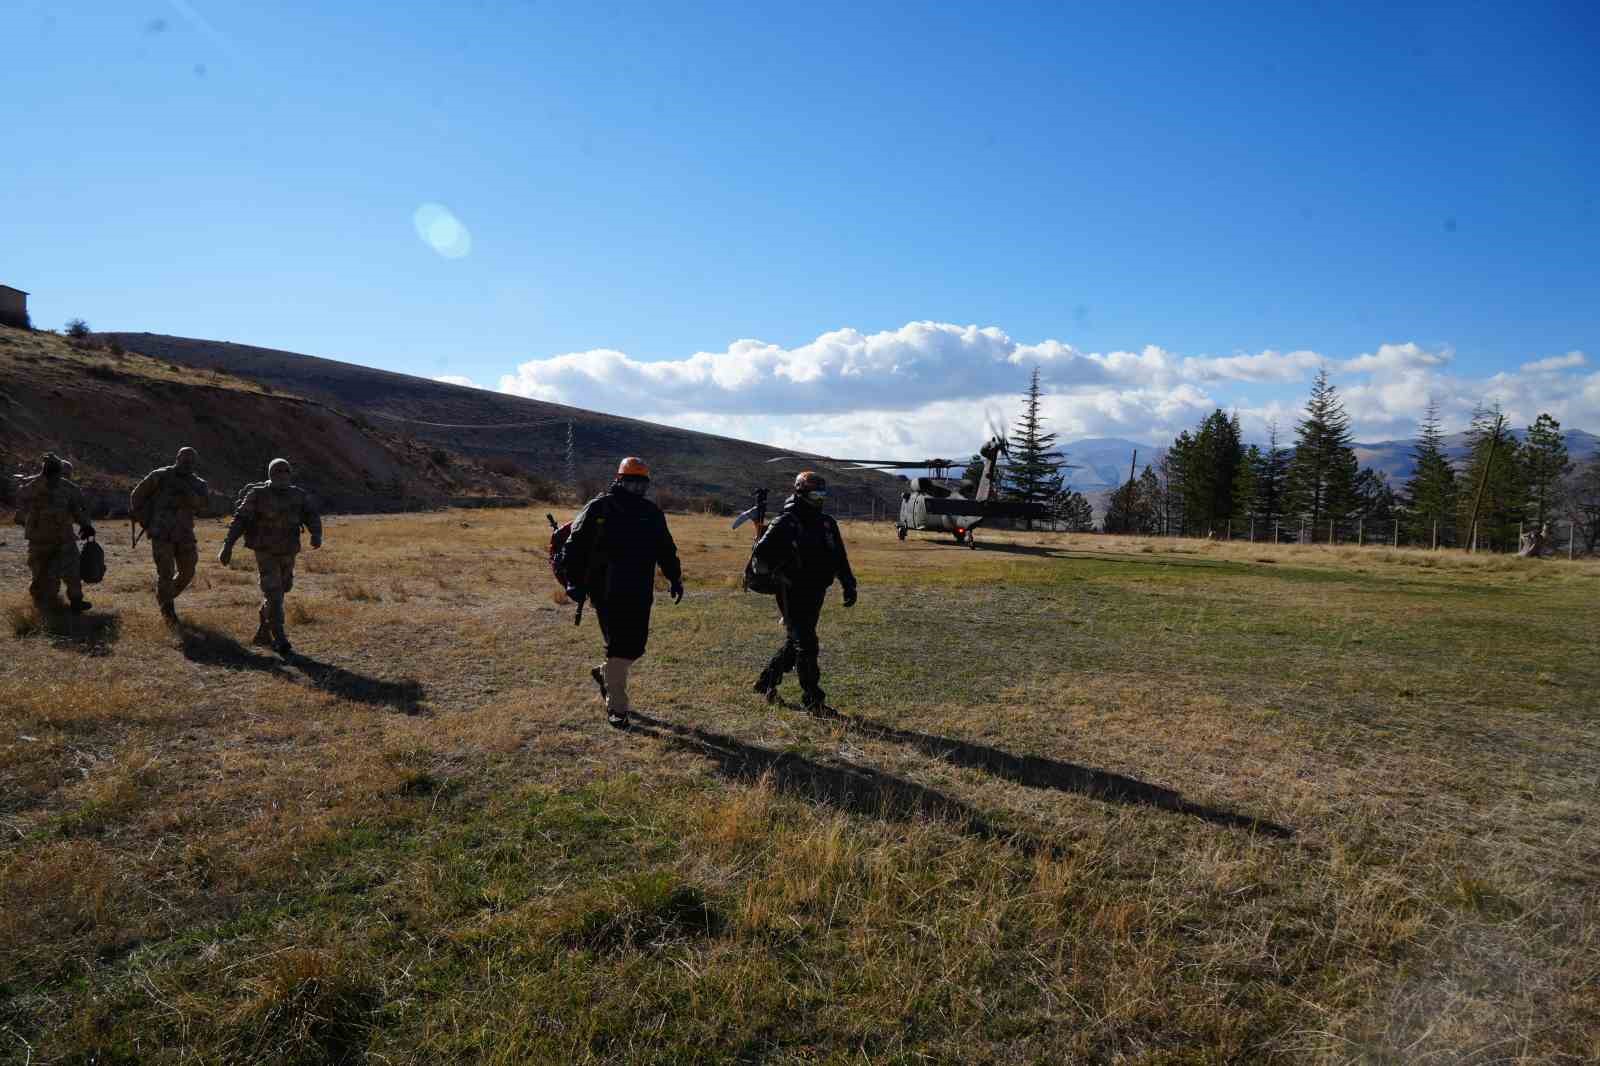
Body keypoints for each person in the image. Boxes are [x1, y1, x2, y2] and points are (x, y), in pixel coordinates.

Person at [562, 457, 683, 728]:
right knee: (617, 647)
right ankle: (617, 709)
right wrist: (573, 582)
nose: (637, 488)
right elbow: (574, 547)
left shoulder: (651, 513)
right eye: (631, 482)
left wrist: (675, 577)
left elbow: (666, 548)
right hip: (606, 590)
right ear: (619, 480)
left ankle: (605, 674)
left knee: (636, 647)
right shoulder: (599, 507)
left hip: (640, 590)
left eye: (642, 483)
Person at [751, 471, 857, 713]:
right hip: (791, 591)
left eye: (823, 494)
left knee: (797, 641)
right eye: (815, 493)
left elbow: (839, 556)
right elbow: (762, 556)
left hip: (817, 590)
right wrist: (781, 572)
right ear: (800, 492)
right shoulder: (786, 522)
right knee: (807, 643)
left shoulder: (827, 523)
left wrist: (849, 583)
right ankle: (813, 699)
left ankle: (766, 681)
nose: (819, 498)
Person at [219, 458, 322, 656]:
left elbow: (311, 514)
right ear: (270, 474)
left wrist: (316, 533)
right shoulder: (258, 494)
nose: (282, 474)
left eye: (286, 471)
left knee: (282, 590)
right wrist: (228, 545)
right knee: (274, 592)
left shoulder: (298, 494)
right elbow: (240, 519)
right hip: (265, 550)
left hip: (289, 550)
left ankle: (264, 631)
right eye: (277, 471)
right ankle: (280, 637)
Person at [131, 447, 208, 622]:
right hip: (161, 533)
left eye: (191, 460)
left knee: (188, 571)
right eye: (184, 459)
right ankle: (168, 611)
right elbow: (137, 496)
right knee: (165, 572)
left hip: (185, 533)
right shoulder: (160, 476)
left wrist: (191, 496)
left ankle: (164, 596)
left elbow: (204, 506)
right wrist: (145, 520)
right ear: (177, 458)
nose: (187, 463)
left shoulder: (198, 484)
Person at [15, 453, 96, 612]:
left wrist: (86, 525)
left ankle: (76, 601)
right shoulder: (34, 485)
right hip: (40, 540)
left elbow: (77, 508)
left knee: (72, 572)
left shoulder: (69, 488)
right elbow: (21, 498)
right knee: (41, 574)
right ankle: (43, 604)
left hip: (64, 538)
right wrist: (41, 478)